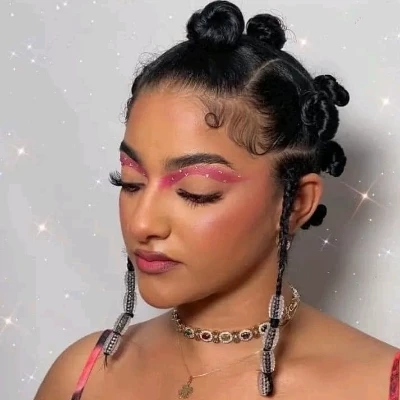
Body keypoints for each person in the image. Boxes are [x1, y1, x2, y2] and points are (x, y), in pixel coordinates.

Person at [34, 1, 400, 399]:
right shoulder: (81, 375)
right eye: (131, 182)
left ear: (296, 202)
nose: (141, 224)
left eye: (196, 192)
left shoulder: (377, 385)